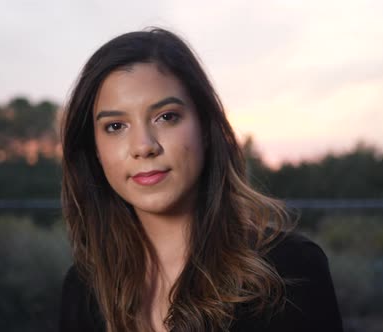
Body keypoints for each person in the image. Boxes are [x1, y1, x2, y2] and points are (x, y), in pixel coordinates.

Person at [59, 27, 343, 332]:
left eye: (166, 117)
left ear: (206, 128)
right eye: (115, 126)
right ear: (95, 151)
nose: (144, 146)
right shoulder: (82, 291)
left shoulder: (291, 270)